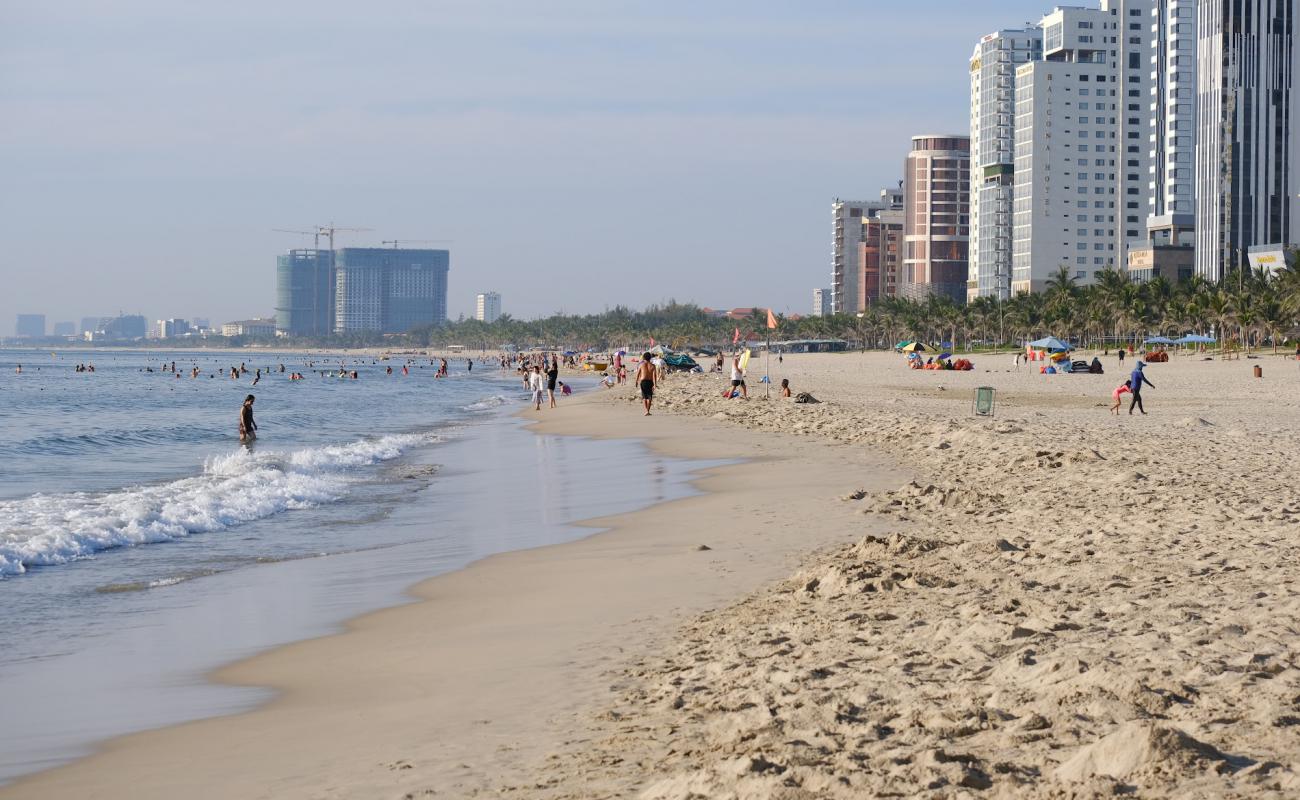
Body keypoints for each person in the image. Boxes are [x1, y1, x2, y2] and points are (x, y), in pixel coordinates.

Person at [635, 351, 656, 415]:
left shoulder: (641, 365)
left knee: (644, 397)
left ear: (644, 358)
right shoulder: (653, 366)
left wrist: (636, 381)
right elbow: (654, 376)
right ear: (650, 358)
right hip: (650, 382)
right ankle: (648, 411)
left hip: (643, 382)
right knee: (649, 397)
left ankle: (646, 411)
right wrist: (655, 384)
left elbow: (638, 374)